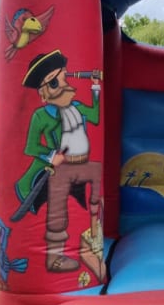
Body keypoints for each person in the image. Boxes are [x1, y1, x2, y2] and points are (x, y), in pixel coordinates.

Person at [14, 49, 102, 274]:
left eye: (63, 77)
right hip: (61, 168)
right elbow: (31, 147)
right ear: (46, 90)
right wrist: (52, 155)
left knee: (98, 173)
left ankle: (95, 231)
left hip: (81, 163)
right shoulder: (42, 116)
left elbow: (95, 117)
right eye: (57, 81)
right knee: (57, 209)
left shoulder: (77, 108)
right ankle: (54, 257)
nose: (65, 83)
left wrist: (95, 88)